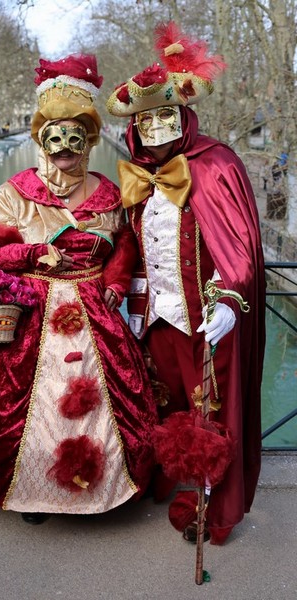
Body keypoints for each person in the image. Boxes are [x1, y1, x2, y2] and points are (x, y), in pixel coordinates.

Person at [0, 54, 157, 523]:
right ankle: (35, 493)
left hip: (95, 309)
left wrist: (114, 279)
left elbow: (126, 244)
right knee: (32, 403)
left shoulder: (109, 192)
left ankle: (103, 489)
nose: (64, 148)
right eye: (55, 138)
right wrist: (30, 255)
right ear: (42, 141)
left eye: (74, 138)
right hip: (31, 310)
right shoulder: (13, 192)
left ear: (89, 141)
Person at [106, 22, 266, 544]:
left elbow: (236, 243)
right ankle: (168, 486)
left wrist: (229, 299)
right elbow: (131, 245)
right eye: (145, 120)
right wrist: (119, 289)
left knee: (209, 417)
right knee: (163, 407)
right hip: (155, 317)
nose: (156, 128)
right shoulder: (134, 174)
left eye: (164, 117)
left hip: (204, 320)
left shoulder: (216, 165)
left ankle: (210, 509)